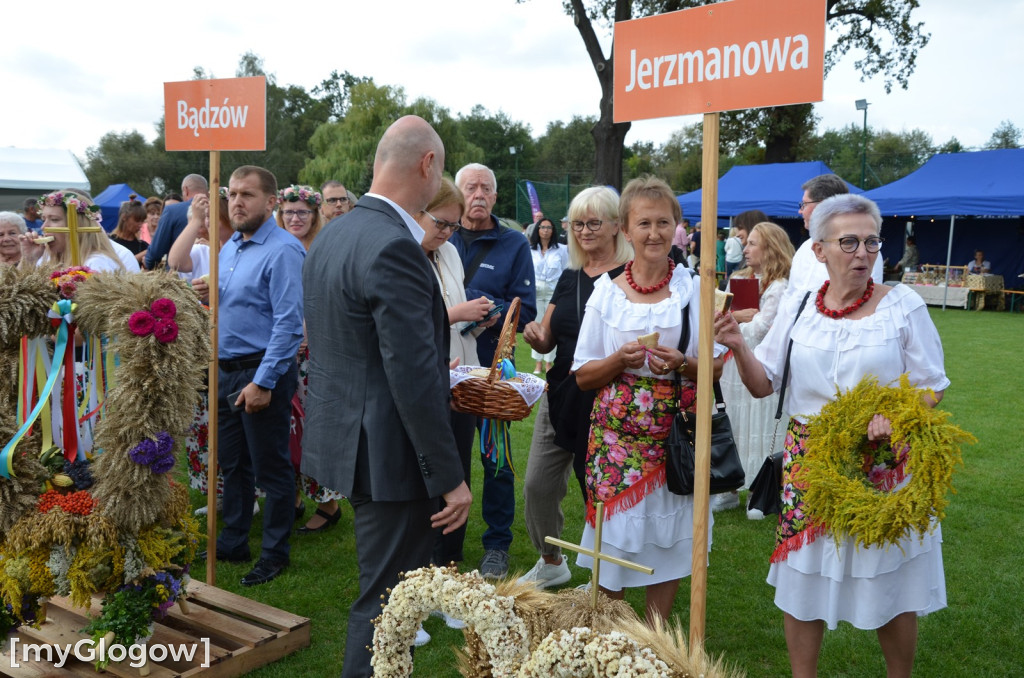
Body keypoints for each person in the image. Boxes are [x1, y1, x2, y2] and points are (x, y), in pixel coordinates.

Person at [714, 194, 949, 678]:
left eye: (870, 241)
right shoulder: (802, 307)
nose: (862, 253)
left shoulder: (901, 306)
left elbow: (930, 387)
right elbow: (763, 385)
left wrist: (897, 415)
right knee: (803, 580)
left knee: (891, 577)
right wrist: (738, 345)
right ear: (819, 250)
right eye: (848, 242)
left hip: (881, 465)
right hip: (809, 465)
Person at [301, 116, 471, 678]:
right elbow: (414, 376)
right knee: (386, 607)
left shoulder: (337, 233)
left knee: (388, 598)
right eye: (440, 169)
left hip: (349, 439)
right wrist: (448, 475)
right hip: (389, 455)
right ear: (427, 165)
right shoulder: (393, 245)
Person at [573, 176, 724, 622]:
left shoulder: (695, 289)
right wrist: (620, 359)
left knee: (671, 543)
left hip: (674, 441)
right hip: (615, 446)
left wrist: (681, 362)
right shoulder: (605, 293)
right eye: (644, 223)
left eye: (663, 222)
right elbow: (582, 375)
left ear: (677, 226)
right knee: (613, 546)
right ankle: (611, 643)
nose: (654, 233)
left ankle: (655, 640)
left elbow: (714, 367)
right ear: (625, 228)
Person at [519, 186, 632, 589]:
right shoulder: (570, 276)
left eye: (593, 223)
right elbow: (550, 338)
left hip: (607, 398)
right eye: (577, 223)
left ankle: (604, 578)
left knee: (599, 489)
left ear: (617, 226)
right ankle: (551, 561)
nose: (583, 231)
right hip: (561, 393)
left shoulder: (630, 278)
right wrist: (536, 337)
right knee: (537, 485)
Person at [207, 165, 305, 588]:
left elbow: (289, 323)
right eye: (232, 194)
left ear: (271, 202)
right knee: (233, 465)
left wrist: (263, 382)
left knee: (271, 469)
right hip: (226, 371)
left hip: (263, 369)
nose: (237, 202)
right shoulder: (230, 246)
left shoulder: (283, 250)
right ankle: (233, 542)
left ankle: (274, 553)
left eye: (248, 195)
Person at [451, 162, 537, 579]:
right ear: (458, 192)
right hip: (446, 363)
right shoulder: (439, 234)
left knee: (496, 458)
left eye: (487, 187)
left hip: (492, 369)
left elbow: (528, 309)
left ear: (496, 197)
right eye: (471, 187)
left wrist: (488, 309)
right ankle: (444, 537)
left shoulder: (514, 244)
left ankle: (497, 544)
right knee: (448, 454)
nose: (479, 194)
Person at [713, 221, 795, 516]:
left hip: (760, 364)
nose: (744, 249)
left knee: (758, 425)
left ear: (770, 248)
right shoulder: (739, 278)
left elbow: (764, 330)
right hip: (733, 366)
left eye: (752, 244)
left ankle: (760, 489)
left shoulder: (781, 287)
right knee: (732, 423)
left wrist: (737, 323)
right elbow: (719, 318)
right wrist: (737, 316)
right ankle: (729, 486)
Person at [789, 174, 882, 295]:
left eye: (804, 204)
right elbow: (791, 294)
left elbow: (866, 300)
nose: (800, 211)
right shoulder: (805, 247)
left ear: (822, 206)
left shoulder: (866, 252)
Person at [25, 191, 131, 273]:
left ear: (78, 225)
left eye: (54, 219)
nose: (44, 227)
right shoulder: (45, 260)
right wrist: (29, 259)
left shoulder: (96, 264)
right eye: (43, 220)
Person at [529, 217, 569, 374]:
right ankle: (538, 363)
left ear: (553, 230)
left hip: (554, 293)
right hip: (537, 292)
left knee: (551, 327)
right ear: (538, 229)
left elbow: (566, 270)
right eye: (542, 227)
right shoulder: (530, 250)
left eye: (549, 227)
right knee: (537, 326)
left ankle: (548, 362)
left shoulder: (562, 249)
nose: (545, 230)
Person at [145, 174, 208, 270]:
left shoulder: (172, 211)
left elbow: (156, 252)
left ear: (186, 190)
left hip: (178, 276)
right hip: (212, 273)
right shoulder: (220, 210)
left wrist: (148, 264)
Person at [275, 185, 323, 251]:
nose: (295, 219)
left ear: (314, 216)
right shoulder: (271, 248)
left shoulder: (324, 247)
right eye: (289, 212)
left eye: (302, 212)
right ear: (281, 216)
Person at [109, 195, 149, 266]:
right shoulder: (109, 242)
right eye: (137, 220)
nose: (140, 224)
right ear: (124, 217)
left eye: (142, 221)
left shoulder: (143, 246)